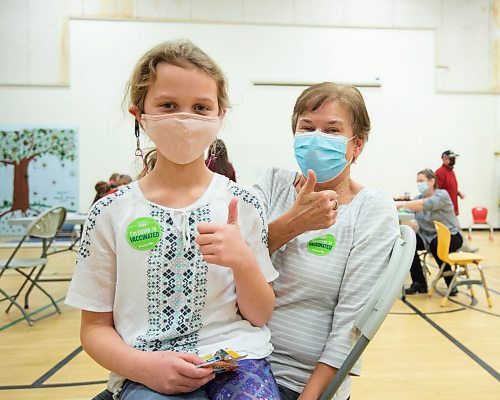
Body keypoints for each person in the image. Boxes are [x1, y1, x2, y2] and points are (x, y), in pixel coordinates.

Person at [65, 39, 280, 400]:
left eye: (200, 107)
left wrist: (243, 260)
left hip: (238, 360)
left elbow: (260, 315)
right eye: (168, 105)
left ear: (219, 114)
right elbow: (94, 330)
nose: (185, 119)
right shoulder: (110, 212)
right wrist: (143, 367)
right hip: (146, 367)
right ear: (140, 114)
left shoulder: (242, 202)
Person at [254, 82, 400, 400]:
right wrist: (293, 225)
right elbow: (230, 266)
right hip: (239, 359)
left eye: (332, 130)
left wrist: (312, 396)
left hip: (296, 381)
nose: (317, 139)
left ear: (357, 145)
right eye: (307, 127)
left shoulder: (370, 209)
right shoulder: (272, 185)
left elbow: (353, 324)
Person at [395, 168, 463, 295]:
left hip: (451, 236)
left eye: (421, 181)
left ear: (432, 181)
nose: (419, 184)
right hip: (427, 237)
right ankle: (419, 282)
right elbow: (408, 213)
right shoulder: (417, 199)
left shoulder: (442, 195)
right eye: (417, 181)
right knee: (408, 243)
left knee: (436, 244)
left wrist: (402, 204)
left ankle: (451, 282)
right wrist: (410, 221)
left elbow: (424, 205)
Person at [435, 150, 464, 215]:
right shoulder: (440, 172)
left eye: (454, 158)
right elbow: (436, 191)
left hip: (452, 208)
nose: (453, 160)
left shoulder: (451, 172)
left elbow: (449, 187)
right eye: (451, 158)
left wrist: (458, 193)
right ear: (444, 159)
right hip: (444, 211)